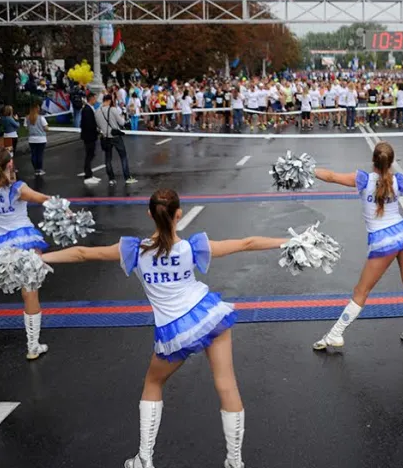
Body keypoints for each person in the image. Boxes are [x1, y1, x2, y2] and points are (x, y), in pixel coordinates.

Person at [41, 188, 292, 468]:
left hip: (175, 331)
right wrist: (291, 241)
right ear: (178, 214)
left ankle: (144, 459)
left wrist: (39, 258)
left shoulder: (135, 251)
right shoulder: (193, 247)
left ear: (150, 215)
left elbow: (82, 254)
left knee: (153, 382)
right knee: (226, 384)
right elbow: (247, 243)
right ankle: (235, 461)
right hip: (208, 314)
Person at [311, 142, 403, 350]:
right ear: (391, 162)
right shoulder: (399, 181)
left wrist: (306, 169)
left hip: (383, 241)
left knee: (361, 290)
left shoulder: (363, 180)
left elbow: (330, 176)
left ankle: (335, 334)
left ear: (373, 160)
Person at [0, 147, 53, 359]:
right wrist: (64, 208)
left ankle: (34, 346)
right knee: (30, 292)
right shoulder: (17, 188)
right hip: (25, 244)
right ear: (9, 164)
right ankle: (33, 347)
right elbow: (43, 198)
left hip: (0, 249)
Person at [96, 94, 137, 186]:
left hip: (105, 137)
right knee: (123, 156)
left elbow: (98, 126)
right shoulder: (113, 110)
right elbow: (122, 122)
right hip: (115, 137)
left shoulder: (97, 111)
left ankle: (111, 179)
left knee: (108, 159)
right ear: (109, 100)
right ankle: (127, 177)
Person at [80, 92, 102, 185]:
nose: (96, 100)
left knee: (91, 154)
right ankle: (87, 175)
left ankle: (90, 174)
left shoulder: (89, 108)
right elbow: (88, 124)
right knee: (89, 155)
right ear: (91, 99)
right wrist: (96, 131)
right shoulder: (87, 110)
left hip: (90, 135)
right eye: (94, 98)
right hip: (89, 136)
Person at [25, 104, 49, 176]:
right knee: (40, 155)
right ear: (37, 109)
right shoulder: (41, 118)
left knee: (33, 154)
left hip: (31, 139)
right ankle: (39, 169)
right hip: (41, 139)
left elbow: (26, 128)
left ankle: (35, 169)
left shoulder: (27, 118)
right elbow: (46, 128)